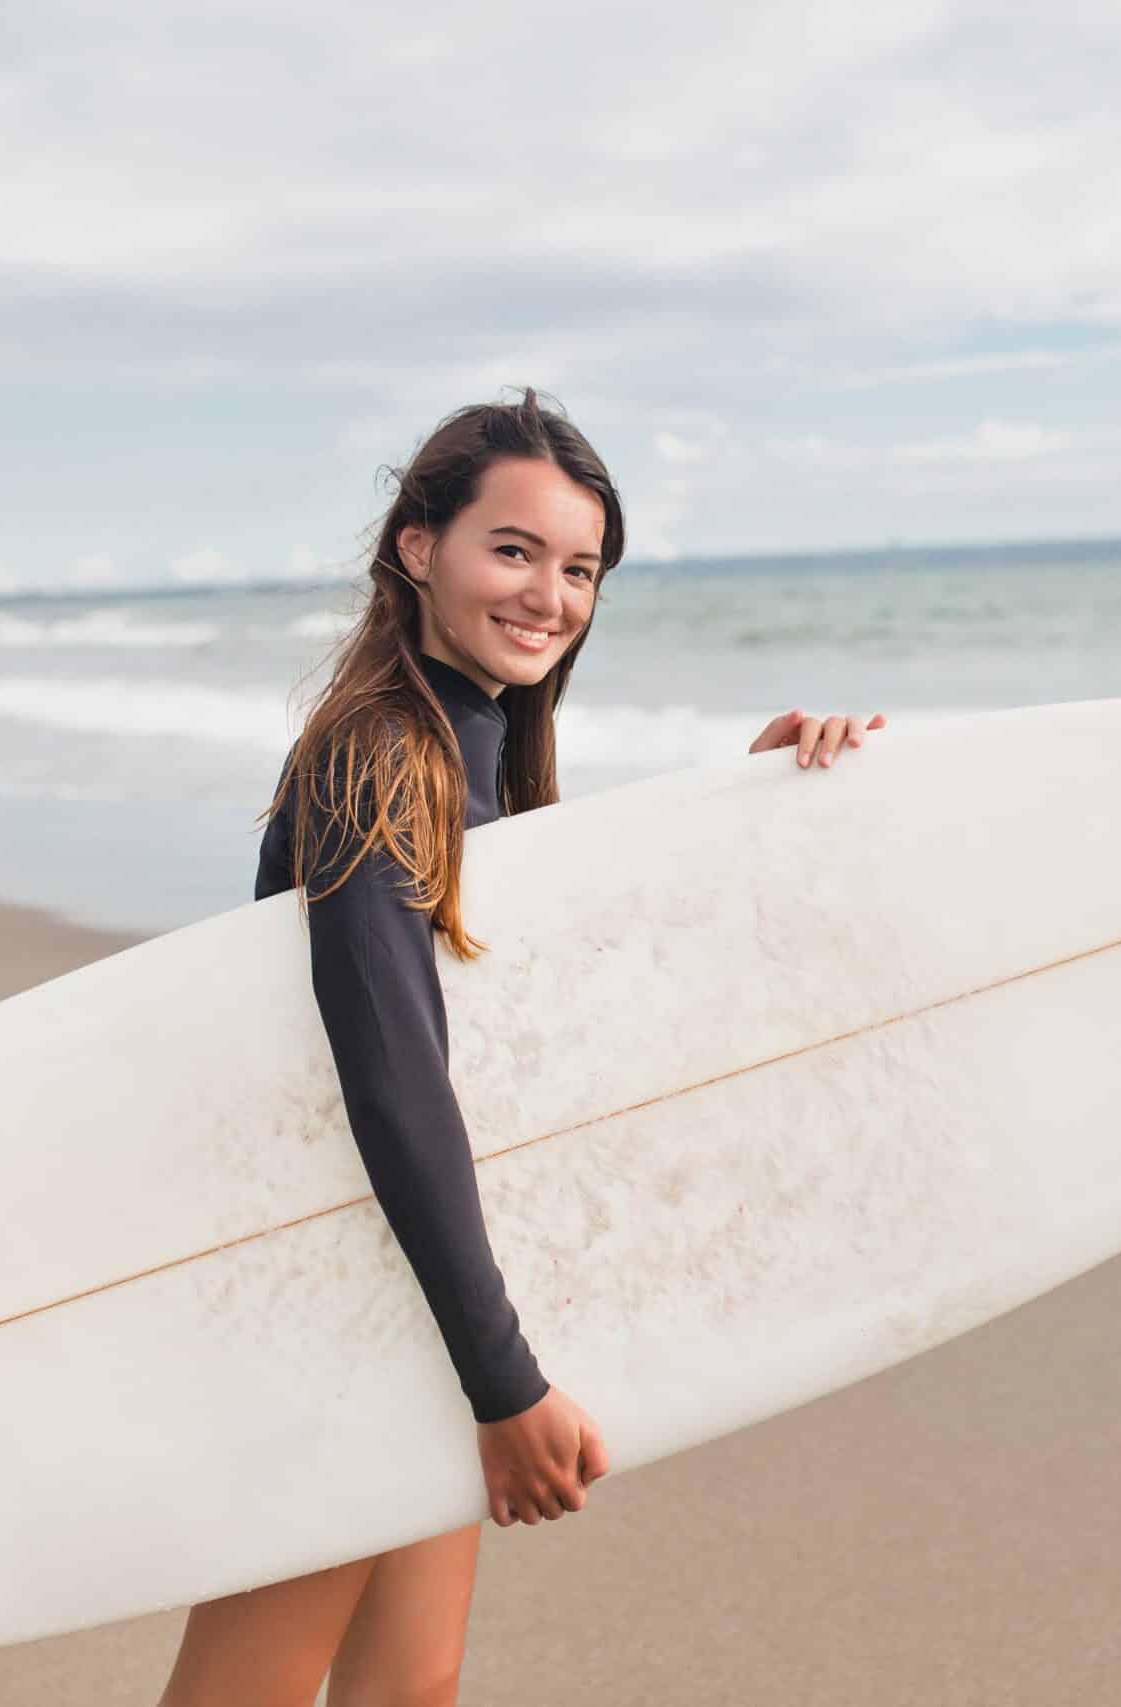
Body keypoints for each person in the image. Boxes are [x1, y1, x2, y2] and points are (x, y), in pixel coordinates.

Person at [154, 390, 885, 1707]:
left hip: (410, 1288)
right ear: (418, 546)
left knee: (411, 1690)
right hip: (341, 1296)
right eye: (514, 549)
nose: (551, 593)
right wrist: (506, 1388)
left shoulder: (487, 763)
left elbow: (545, 1009)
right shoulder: (376, 761)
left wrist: (759, 804)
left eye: (580, 567)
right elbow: (395, 1083)